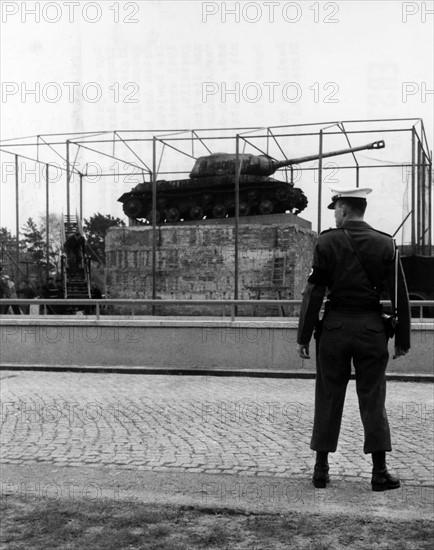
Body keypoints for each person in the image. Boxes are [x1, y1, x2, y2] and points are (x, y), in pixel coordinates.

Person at [297, 186, 410, 492]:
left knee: (328, 397)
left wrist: (304, 336)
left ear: (344, 209)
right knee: (373, 398)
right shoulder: (385, 243)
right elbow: (400, 294)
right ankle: (379, 473)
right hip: (371, 330)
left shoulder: (327, 242)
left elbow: (314, 291)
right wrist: (402, 337)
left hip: (333, 330)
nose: (334, 214)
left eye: (336, 209)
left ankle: (321, 470)